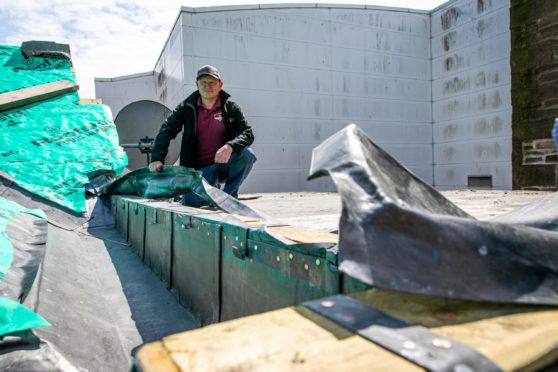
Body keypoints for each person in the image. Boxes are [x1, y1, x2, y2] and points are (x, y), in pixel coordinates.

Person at [148, 65, 256, 207]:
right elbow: (166, 130)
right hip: (198, 173)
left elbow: (247, 133)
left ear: (220, 85)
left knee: (247, 154)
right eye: (203, 82)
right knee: (191, 202)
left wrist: (230, 146)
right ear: (196, 84)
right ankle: (211, 194)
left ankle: (229, 199)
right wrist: (157, 158)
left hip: (223, 165)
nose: (207, 86)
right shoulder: (186, 107)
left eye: (212, 82)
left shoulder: (231, 107)